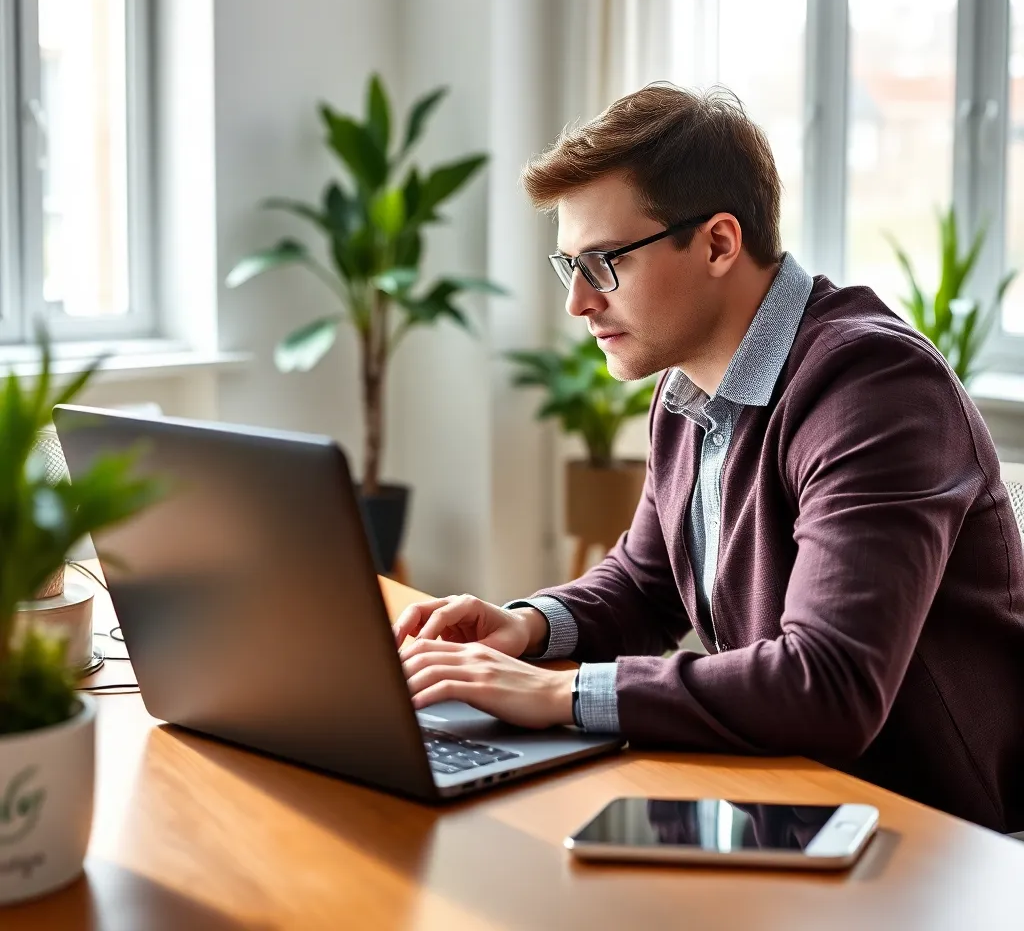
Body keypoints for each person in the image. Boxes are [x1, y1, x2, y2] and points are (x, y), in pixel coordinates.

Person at [392, 85, 1024, 833]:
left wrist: (559, 694)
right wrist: (528, 628)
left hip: (940, 840)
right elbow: (646, 583)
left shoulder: (875, 387)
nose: (579, 304)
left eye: (603, 262)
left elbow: (830, 684)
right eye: (571, 267)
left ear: (720, 243)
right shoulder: (687, 383)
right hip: (794, 803)